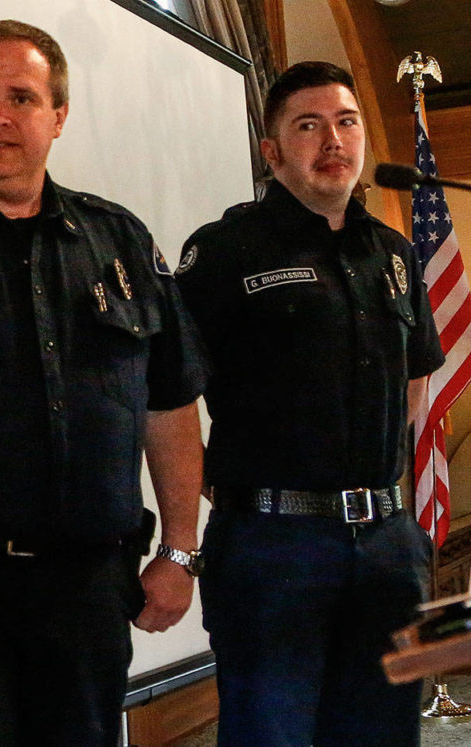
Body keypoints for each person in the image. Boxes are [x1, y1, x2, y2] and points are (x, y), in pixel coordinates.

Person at [0, 20, 208, 746]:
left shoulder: (120, 243)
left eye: (21, 97)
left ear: (58, 115)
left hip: (85, 592)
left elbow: (170, 399)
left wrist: (180, 550)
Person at [175, 61, 445, 745]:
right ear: (272, 152)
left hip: (385, 543)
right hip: (273, 545)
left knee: (383, 735)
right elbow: (168, 388)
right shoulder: (224, 251)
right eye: (309, 125)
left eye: (346, 121)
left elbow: (411, 378)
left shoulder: (394, 254)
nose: (334, 139)